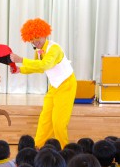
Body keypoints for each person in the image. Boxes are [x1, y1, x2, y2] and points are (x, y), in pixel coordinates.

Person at [10, 18, 77, 149]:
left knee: (58, 122)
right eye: (32, 40)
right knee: (45, 118)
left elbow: (45, 65)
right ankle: (37, 147)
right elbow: (38, 68)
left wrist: (21, 60)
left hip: (67, 85)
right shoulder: (38, 51)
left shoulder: (54, 49)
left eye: (37, 38)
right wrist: (20, 69)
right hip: (54, 86)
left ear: (45, 34)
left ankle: (65, 150)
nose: (35, 41)